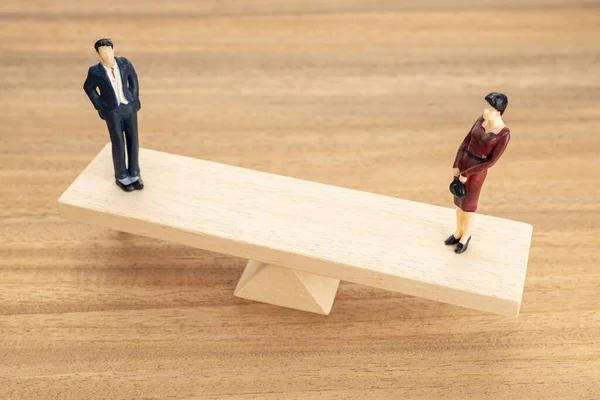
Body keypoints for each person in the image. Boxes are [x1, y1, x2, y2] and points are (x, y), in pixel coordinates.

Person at [445, 92, 511, 253]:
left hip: (477, 170)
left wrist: (467, 173)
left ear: (499, 111)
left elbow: (491, 161)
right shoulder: (480, 120)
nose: (486, 111)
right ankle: (458, 231)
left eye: (490, 108)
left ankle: (466, 236)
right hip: (464, 162)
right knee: (458, 200)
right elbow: (465, 142)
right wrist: (457, 164)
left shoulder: (503, 134)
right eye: (486, 106)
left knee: (469, 205)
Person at [83, 38, 143, 192]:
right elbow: (88, 87)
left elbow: (133, 78)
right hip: (112, 111)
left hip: (128, 106)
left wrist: (134, 97)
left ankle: (135, 174)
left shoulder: (124, 63)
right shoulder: (95, 71)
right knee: (118, 143)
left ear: (114, 50)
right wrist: (100, 106)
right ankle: (122, 175)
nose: (107, 54)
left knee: (133, 140)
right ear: (98, 54)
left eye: (109, 50)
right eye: (103, 52)